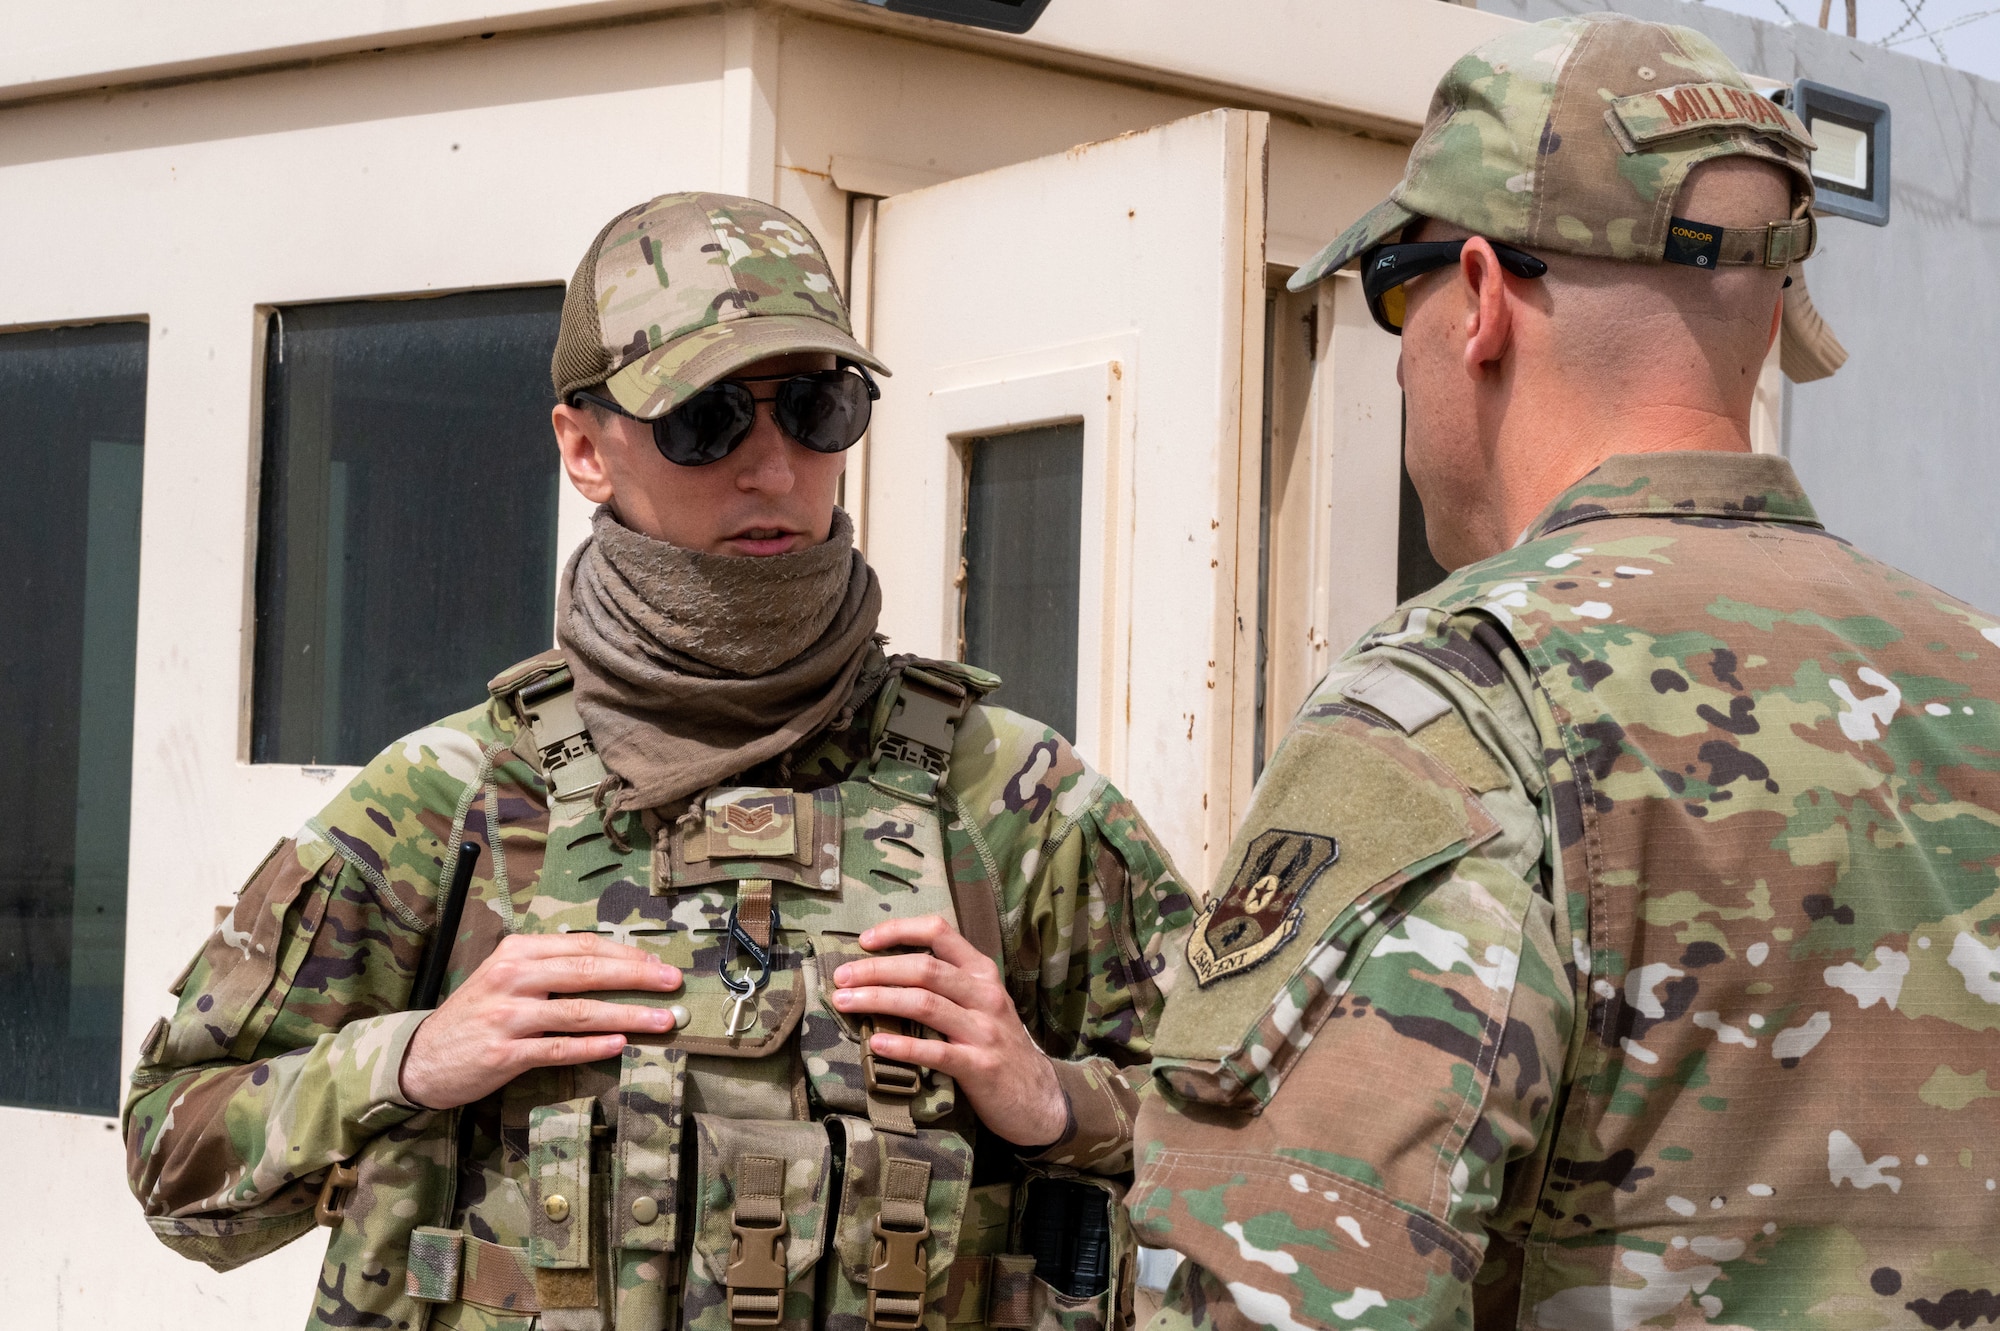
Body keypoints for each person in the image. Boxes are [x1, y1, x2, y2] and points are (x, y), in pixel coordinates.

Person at [124, 191, 1192, 1331]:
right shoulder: (454, 797)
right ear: (584, 447)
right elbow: (171, 1155)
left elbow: (1260, 1160)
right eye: (706, 417)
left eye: (819, 408)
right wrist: (411, 1058)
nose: (774, 468)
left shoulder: (1007, 793)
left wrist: (1053, 1098)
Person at [1129, 15, 2000, 1330]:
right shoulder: (1977, 676)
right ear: (1766, 324)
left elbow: (1282, 1288)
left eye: (1394, 296)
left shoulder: (1462, 705)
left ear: (1478, 299)